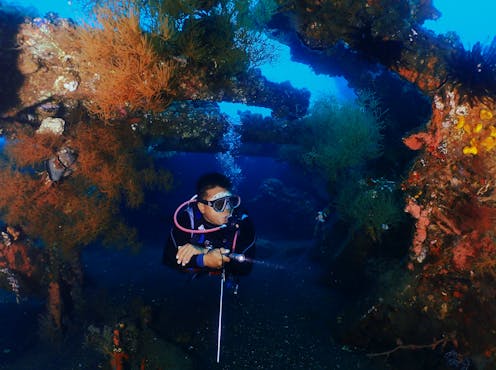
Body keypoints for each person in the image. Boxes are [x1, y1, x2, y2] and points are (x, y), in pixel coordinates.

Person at [163, 172, 256, 279]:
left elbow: (246, 268)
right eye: (219, 204)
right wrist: (204, 260)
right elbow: (169, 259)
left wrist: (203, 253)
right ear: (202, 207)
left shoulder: (244, 223)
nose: (228, 209)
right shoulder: (187, 219)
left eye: (231, 201)